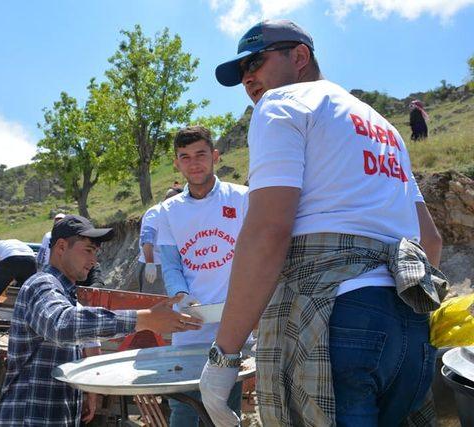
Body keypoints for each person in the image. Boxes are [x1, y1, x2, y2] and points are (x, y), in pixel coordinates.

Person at [200, 19, 446, 427]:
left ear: (299, 56)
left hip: (338, 317)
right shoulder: (383, 127)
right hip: (407, 319)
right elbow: (429, 241)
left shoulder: (282, 104)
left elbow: (268, 232)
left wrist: (224, 356)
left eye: (256, 62)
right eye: (242, 72)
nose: (248, 78)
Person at [0, 214, 202, 427]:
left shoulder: (65, 293)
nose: (93, 261)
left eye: (95, 253)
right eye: (88, 250)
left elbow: (78, 334)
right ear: (61, 247)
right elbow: (63, 325)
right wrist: (143, 319)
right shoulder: (42, 285)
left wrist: (85, 389)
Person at [156, 125, 249, 427]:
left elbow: (255, 255)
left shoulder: (242, 199)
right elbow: (170, 265)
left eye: (201, 154)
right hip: (188, 326)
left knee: (224, 409)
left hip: (232, 328)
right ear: (176, 162)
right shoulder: (167, 211)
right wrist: (182, 297)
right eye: (185, 157)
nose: (194, 163)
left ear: (215, 156)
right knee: (183, 409)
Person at [137, 189, 180, 294]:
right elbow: (147, 238)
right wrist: (150, 263)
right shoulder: (156, 212)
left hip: (168, 265)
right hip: (154, 266)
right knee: (153, 302)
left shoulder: (174, 215)